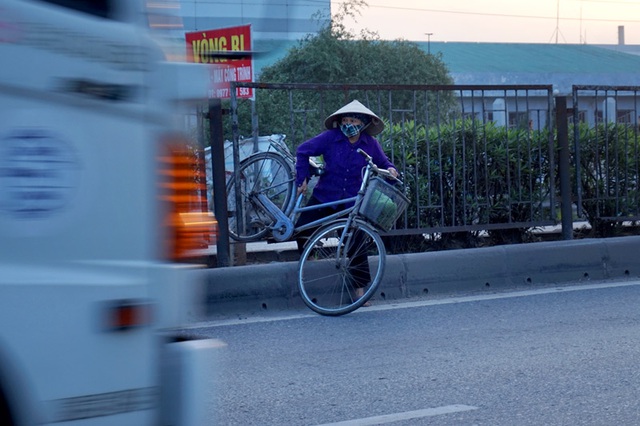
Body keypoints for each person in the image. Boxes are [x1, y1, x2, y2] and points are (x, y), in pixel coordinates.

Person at [294, 100, 398, 305]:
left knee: (356, 242)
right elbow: (302, 151)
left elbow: (384, 163)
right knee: (301, 229)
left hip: (351, 202)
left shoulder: (370, 143)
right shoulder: (330, 138)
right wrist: (302, 178)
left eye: (353, 120)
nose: (348, 124)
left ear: (363, 123)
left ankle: (359, 292)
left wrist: (392, 170)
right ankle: (313, 256)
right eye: (345, 120)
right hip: (325, 197)